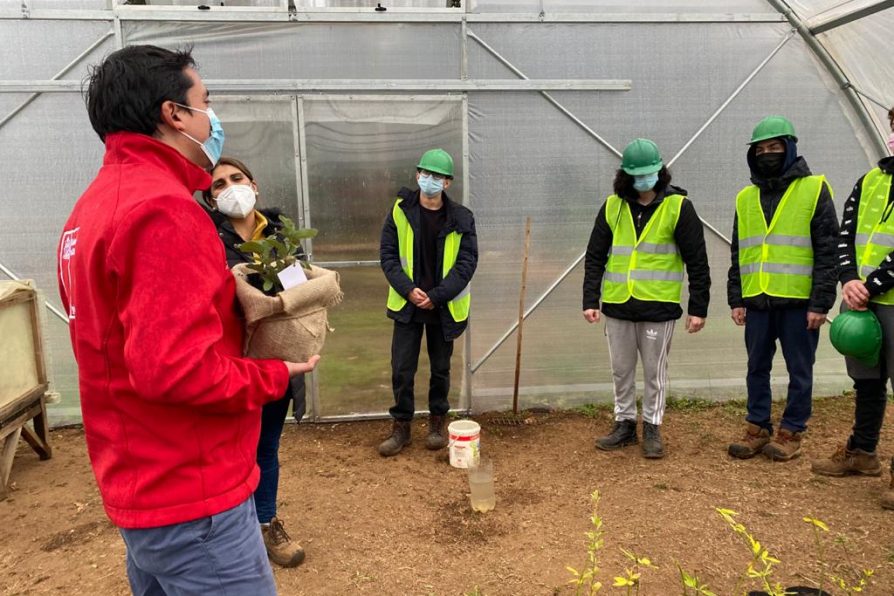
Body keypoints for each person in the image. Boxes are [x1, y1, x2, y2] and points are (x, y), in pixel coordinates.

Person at [57, 45, 319, 594]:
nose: (211, 117)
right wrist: (276, 373)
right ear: (173, 114)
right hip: (192, 493)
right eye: (204, 102)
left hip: (142, 481)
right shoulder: (165, 211)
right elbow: (174, 369)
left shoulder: (91, 209)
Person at [203, 156, 308, 567]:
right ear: (211, 200)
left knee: (265, 445)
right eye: (218, 185)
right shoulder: (208, 238)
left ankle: (266, 524)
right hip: (228, 362)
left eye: (237, 179)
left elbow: (297, 290)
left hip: (273, 358)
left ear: (255, 184)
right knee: (228, 450)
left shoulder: (280, 234)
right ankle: (231, 533)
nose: (230, 188)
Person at [582, 138, 710, 459]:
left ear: (660, 171)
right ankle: (624, 423)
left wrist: (699, 308)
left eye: (649, 173)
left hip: (659, 308)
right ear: (625, 175)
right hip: (618, 306)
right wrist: (590, 299)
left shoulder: (679, 207)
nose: (642, 180)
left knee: (655, 372)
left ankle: (652, 426)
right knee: (621, 369)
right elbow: (595, 256)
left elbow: (697, 260)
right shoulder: (613, 206)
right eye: (636, 174)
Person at [727, 115, 838, 462]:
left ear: (789, 149)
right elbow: (738, 251)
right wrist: (737, 298)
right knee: (756, 366)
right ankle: (757, 427)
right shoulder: (745, 197)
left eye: (775, 147)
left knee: (799, 368)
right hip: (757, 299)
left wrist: (820, 302)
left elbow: (828, 249)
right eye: (760, 149)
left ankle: (792, 431)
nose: (767, 154)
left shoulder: (814, 188)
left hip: (799, 301)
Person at [811, 106, 894, 510]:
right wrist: (849, 280)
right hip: (862, 302)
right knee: (867, 382)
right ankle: (863, 452)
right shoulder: (869, 181)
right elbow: (845, 234)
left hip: (886, 301)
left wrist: (872, 285)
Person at [378, 148, 478, 457]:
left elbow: (467, 263)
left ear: (447, 183)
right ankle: (401, 427)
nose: (428, 180)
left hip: (442, 307)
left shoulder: (461, 217)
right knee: (402, 368)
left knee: (440, 368)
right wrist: (409, 290)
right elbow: (388, 255)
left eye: (436, 176)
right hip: (408, 305)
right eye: (424, 173)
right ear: (417, 175)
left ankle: (437, 422)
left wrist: (437, 296)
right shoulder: (400, 210)